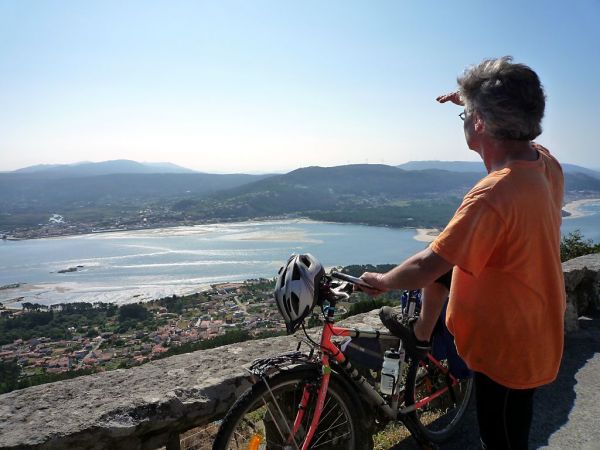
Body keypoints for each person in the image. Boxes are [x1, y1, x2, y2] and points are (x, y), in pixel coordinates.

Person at [360, 56, 566, 450]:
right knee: (517, 422)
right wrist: (473, 103)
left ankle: (421, 334)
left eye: (467, 117)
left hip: (503, 344)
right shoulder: (543, 164)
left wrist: (382, 281)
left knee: (498, 436)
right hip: (537, 328)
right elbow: (521, 129)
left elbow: (428, 264)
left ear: (480, 124)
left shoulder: (492, 194)